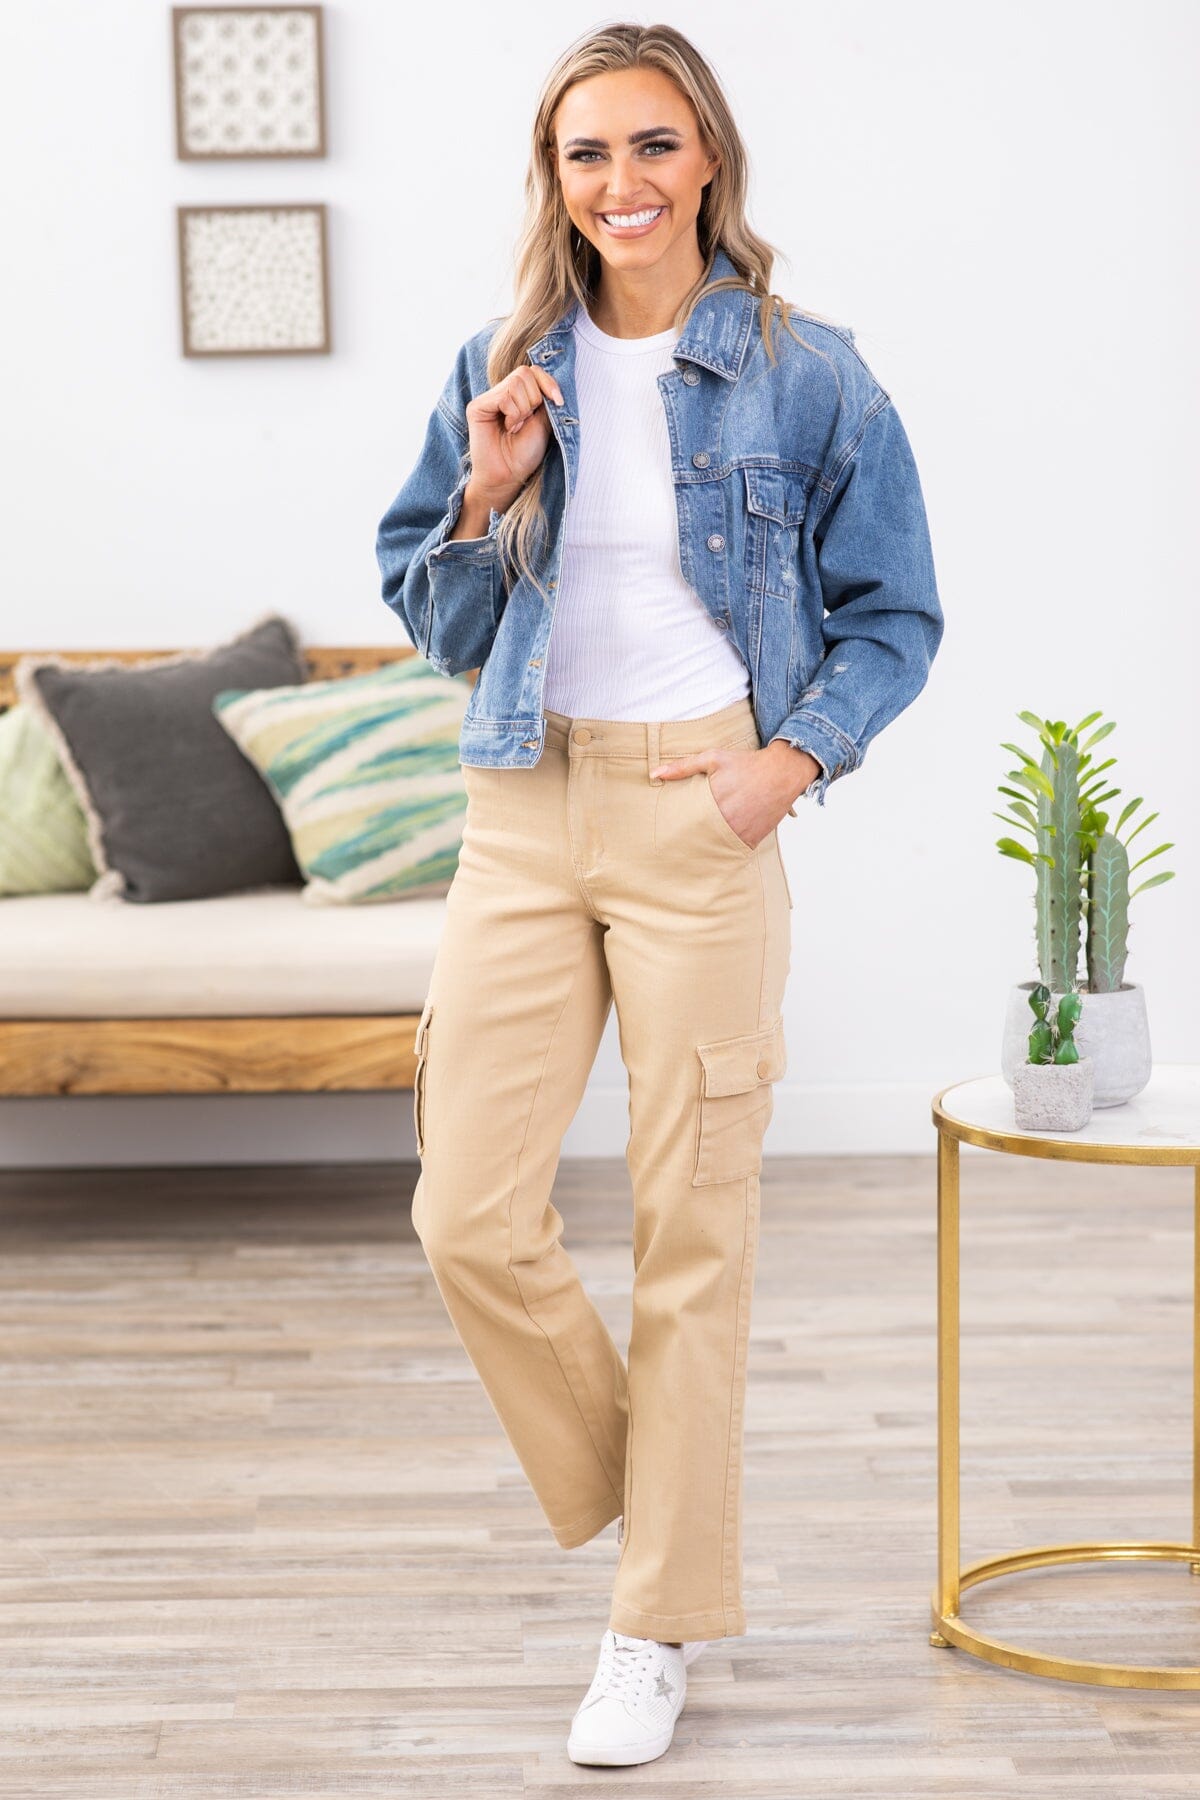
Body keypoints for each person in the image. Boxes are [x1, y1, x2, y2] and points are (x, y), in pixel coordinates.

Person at [375, 21, 943, 1769]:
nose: (620, 182)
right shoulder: (500, 363)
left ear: (708, 161)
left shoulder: (807, 372)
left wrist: (792, 764)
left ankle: (652, 1625)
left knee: (695, 1230)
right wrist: (484, 491)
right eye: (586, 154)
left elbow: (897, 615)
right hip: (523, 805)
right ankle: (675, 1523)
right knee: (467, 1215)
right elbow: (432, 611)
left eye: (651, 145)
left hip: (705, 808)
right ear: (554, 182)